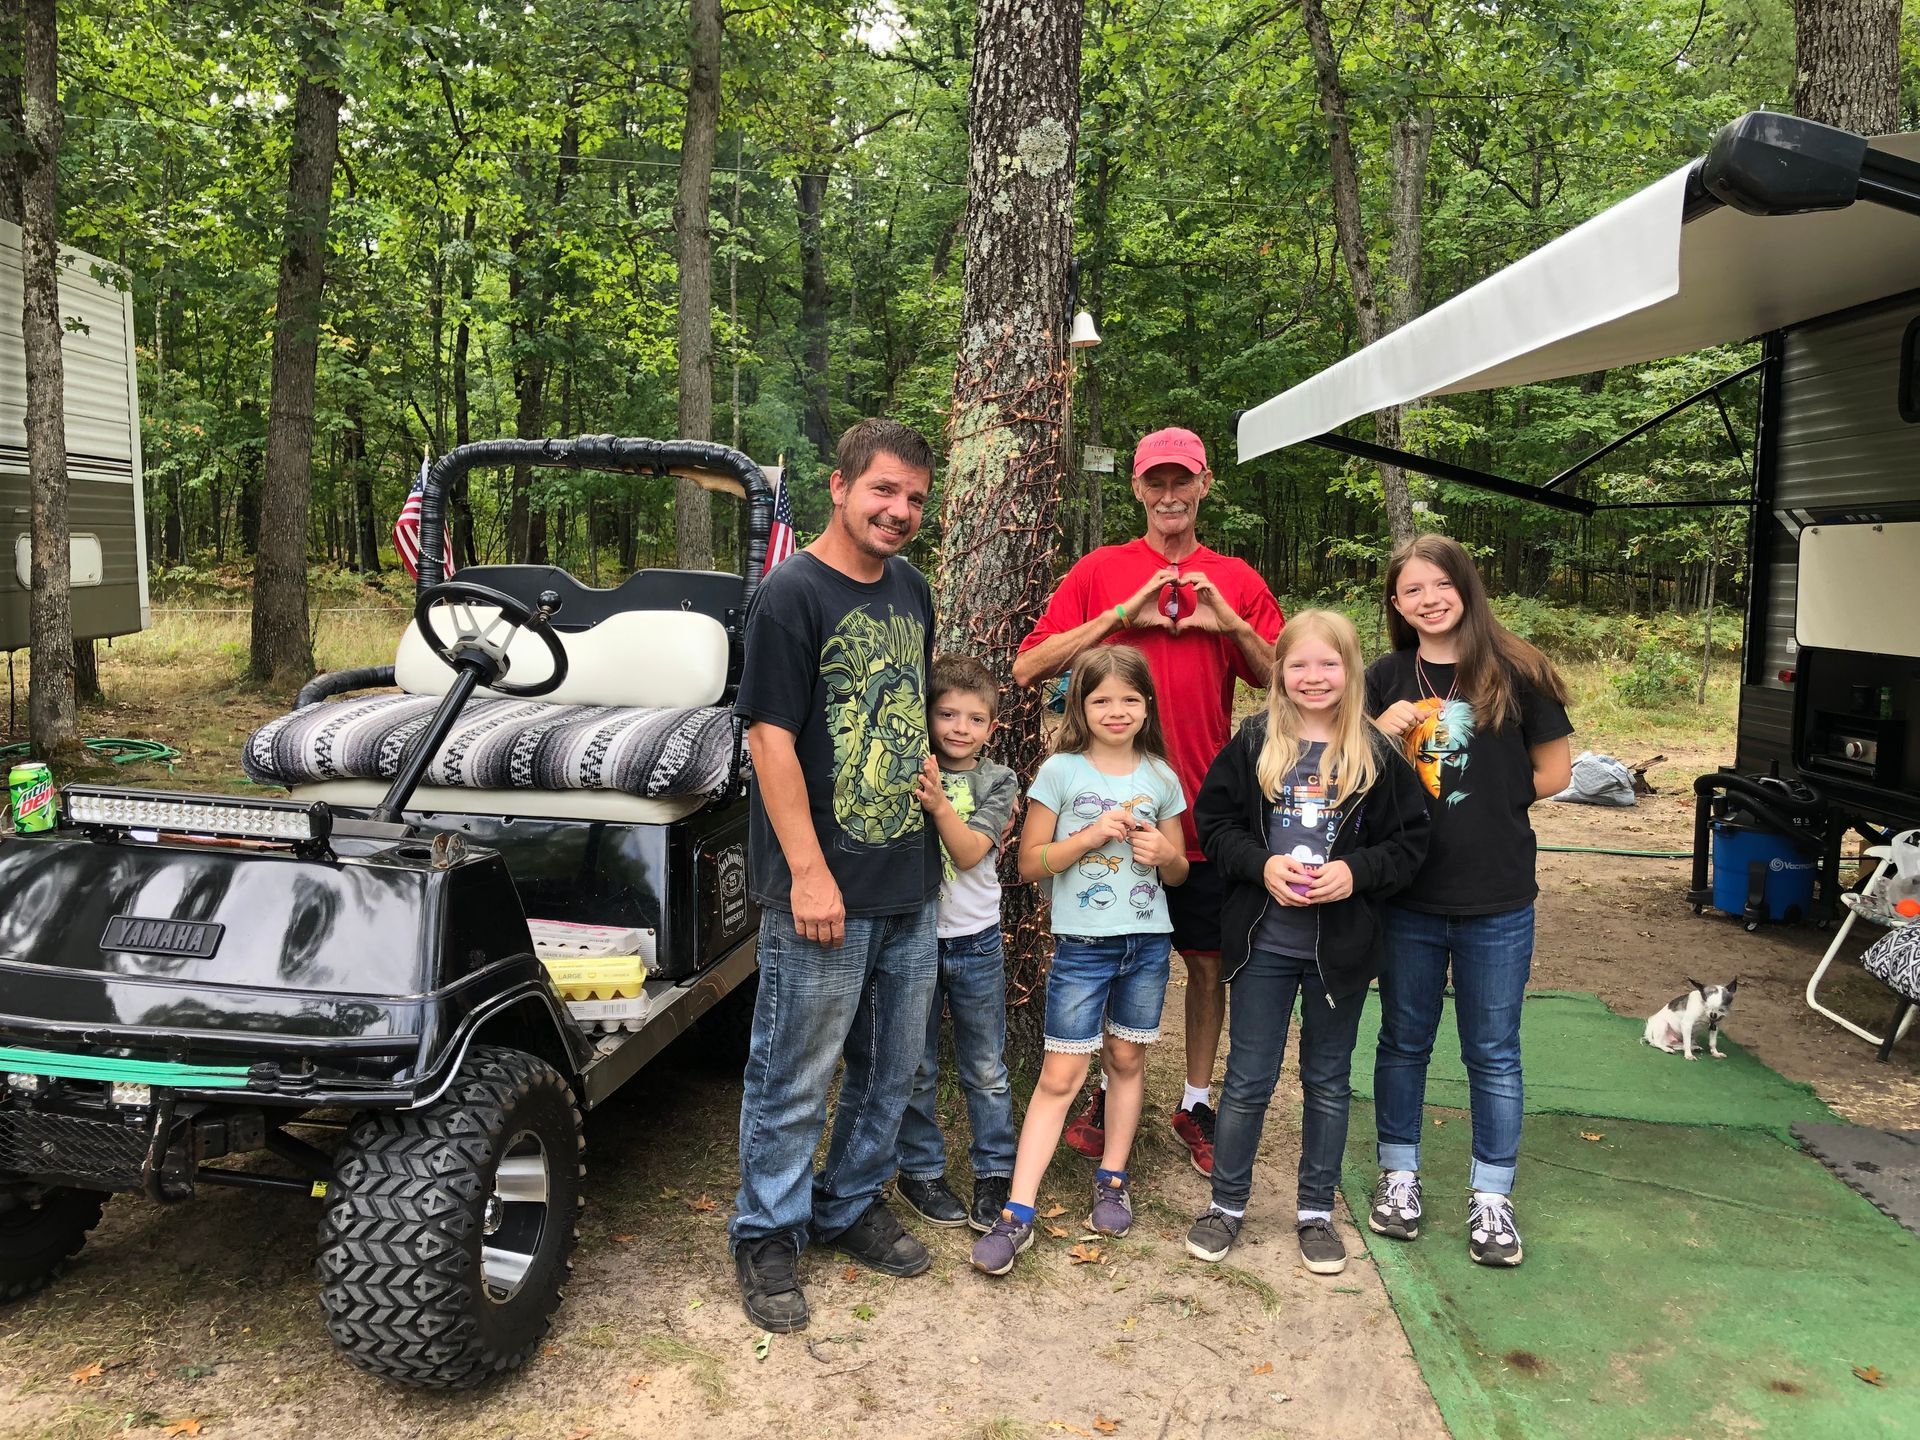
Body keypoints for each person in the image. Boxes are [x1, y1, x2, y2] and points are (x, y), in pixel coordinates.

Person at [1013, 426, 1283, 1175]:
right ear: (1137, 489)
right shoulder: (1100, 571)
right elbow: (1029, 663)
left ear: (1203, 486)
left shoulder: (1234, 577)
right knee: (1108, 955)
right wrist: (1116, 617)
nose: (1169, 496)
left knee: (1203, 963)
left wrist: (1224, 618)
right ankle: (1108, 1084)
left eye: (1182, 481)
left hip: (1204, 811)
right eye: (1155, 482)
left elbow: (1282, 678)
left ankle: (1195, 1101)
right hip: (1106, 820)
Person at [729, 418, 943, 1333]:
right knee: (794, 1071)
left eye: (915, 500)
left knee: (891, 1067)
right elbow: (768, 739)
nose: (899, 512)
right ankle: (767, 1231)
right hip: (822, 886)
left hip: (909, 875)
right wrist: (810, 874)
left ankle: (847, 1203)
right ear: (840, 486)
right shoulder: (789, 594)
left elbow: (905, 705)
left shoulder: (912, 589)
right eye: (884, 491)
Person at [1187, 611, 1429, 1273]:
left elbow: (1409, 843)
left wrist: (1356, 873)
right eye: (1299, 665)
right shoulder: (1255, 741)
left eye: (1328, 664)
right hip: (1264, 944)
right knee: (1248, 1080)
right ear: (1279, 672)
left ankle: (1316, 1210)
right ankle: (1227, 1205)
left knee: (1326, 1081)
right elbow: (1214, 824)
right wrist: (1259, 864)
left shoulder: (1375, 754)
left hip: (1339, 950)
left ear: (1350, 672)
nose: (1313, 677)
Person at [1364, 534, 1573, 1268]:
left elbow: (1555, 771)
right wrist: (1376, 731)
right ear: (1396, 604)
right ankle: (1399, 1177)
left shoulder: (1517, 670)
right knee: (1403, 1041)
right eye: (1412, 589)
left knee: (1493, 1051)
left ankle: (1492, 1197)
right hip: (1407, 897)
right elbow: (1348, 773)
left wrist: (1486, 805)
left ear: (1465, 586)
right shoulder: (1384, 675)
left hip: (1497, 896)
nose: (1428, 598)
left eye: (1440, 583)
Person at [970, 646, 1189, 1276]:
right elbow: (1029, 863)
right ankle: (1017, 1212)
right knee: (1059, 1077)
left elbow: (1178, 872)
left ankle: (1113, 1178)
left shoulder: (1161, 777)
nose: (1116, 711)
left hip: (1147, 944)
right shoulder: (1061, 772)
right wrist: (1089, 838)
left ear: (1147, 705)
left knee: (1126, 1058)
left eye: (1129, 699)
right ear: (1081, 707)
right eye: (1101, 700)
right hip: (1083, 949)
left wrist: (1158, 852)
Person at [893, 655, 1022, 1234]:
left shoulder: (998, 781)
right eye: (946, 714)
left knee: (985, 1065)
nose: (960, 728)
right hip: (911, 939)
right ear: (928, 717)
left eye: (974, 718)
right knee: (915, 1065)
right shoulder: (902, 770)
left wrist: (940, 802)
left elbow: (970, 853)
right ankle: (919, 1168)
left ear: (992, 727)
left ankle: (996, 1170)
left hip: (974, 940)